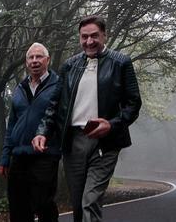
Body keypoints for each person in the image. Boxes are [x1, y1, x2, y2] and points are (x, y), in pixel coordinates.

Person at [32, 15, 141, 222]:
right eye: (84, 37)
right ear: (79, 38)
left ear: (104, 35)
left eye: (94, 36)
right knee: (78, 205)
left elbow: (133, 103)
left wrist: (112, 124)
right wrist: (42, 132)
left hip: (105, 142)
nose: (89, 41)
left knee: (90, 201)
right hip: (73, 142)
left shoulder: (121, 63)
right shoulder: (69, 66)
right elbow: (54, 105)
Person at [0, 43, 62, 222]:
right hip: (18, 155)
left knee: (44, 205)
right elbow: (12, 124)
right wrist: (5, 157)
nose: (35, 61)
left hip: (45, 154)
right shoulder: (20, 89)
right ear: (26, 62)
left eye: (39, 56)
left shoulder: (58, 86)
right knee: (18, 207)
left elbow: (61, 119)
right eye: (31, 58)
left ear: (47, 60)